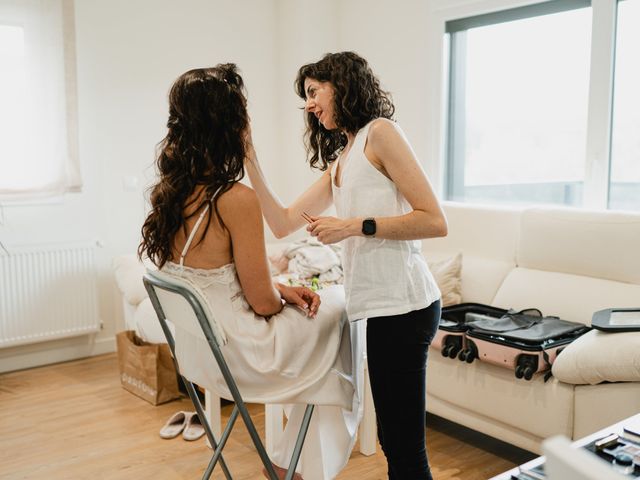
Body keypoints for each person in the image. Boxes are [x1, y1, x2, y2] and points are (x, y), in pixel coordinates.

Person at [138, 64, 364, 480]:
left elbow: (211, 279)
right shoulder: (234, 198)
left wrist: (282, 287)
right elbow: (261, 304)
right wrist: (278, 294)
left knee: (323, 348)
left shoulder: (168, 193)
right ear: (229, 125)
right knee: (342, 310)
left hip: (199, 356)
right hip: (242, 353)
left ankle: (288, 463)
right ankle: (297, 468)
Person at [244, 51, 448, 479]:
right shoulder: (344, 157)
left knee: (405, 449)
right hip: (379, 307)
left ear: (342, 84)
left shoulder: (381, 134)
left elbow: (434, 220)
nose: (309, 105)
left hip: (406, 305)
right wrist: (250, 159)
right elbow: (282, 223)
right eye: (305, 98)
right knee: (395, 443)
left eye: (314, 92)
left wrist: (353, 226)